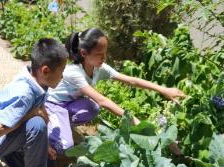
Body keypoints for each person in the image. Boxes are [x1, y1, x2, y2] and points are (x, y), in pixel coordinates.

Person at [45, 28, 186, 154]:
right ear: (84, 53)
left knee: (92, 108)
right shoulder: (74, 72)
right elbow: (103, 101)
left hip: (70, 103)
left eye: (105, 53)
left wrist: (163, 89)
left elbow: (131, 80)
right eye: (99, 53)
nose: (104, 57)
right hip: (53, 105)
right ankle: (46, 130)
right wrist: (136, 122)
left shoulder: (99, 68)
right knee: (64, 146)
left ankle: (63, 124)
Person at [0, 38, 68, 167]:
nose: (62, 76)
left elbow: (41, 110)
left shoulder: (37, 81)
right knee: (37, 125)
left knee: (47, 162)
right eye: (61, 71)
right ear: (45, 70)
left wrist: (46, 145)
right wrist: (31, 114)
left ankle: (6, 156)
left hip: (6, 132)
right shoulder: (24, 94)